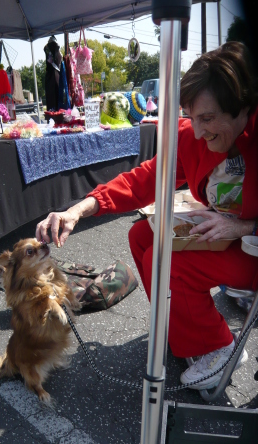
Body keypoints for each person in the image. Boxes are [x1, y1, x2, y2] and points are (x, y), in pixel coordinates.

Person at [36, 41, 258, 390]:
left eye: (208, 118)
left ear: (243, 106)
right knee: (142, 236)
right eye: (193, 117)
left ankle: (218, 348)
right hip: (228, 238)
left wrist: (245, 224)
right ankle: (183, 328)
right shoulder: (191, 137)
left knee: (166, 260)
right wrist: (78, 209)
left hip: (253, 245)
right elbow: (143, 180)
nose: (199, 131)